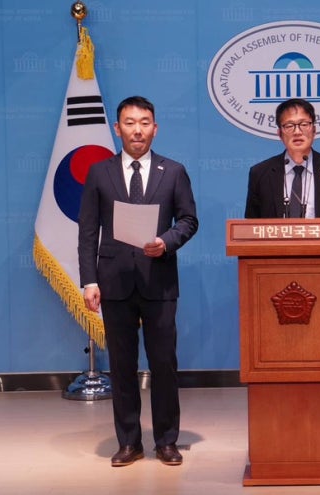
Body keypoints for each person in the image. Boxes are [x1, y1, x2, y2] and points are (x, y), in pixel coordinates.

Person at [78, 96, 199, 467]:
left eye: (145, 122)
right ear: (118, 128)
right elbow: (88, 231)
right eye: (130, 123)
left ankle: (166, 441)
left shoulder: (173, 171)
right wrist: (89, 281)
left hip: (159, 282)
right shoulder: (99, 172)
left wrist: (166, 242)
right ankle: (129, 442)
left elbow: (188, 220)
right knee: (122, 366)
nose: (137, 130)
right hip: (114, 283)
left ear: (155, 128)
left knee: (164, 365)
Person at [244, 98, 320, 218]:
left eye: (304, 124)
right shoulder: (260, 173)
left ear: (314, 130)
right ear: (279, 134)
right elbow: (251, 224)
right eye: (289, 126)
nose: (297, 132)